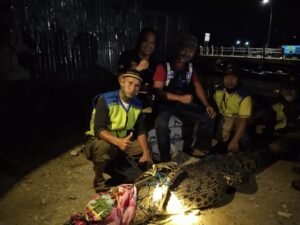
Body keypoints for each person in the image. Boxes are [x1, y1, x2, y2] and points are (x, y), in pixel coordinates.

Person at [84, 70, 153, 192]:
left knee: (145, 149)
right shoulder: (105, 100)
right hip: (101, 141)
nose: (132, 88)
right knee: (103, 147)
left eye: (136, 85)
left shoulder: (137, 104)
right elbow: (99, 129)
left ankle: (124, 168)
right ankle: (99, 179)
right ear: (121, 81)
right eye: (129, 83)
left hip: (122, 143)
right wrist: (118, 142)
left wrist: (146, 152)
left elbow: (141, 130)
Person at [153, 34, 216, 162]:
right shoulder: (164, 66)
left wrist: (207, 105)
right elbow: (157, 91)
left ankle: (200, 149)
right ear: (178, 48)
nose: (187, 53)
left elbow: (197, 86)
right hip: (164, 104)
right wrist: (180, 98)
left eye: (191, 50)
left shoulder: (191, 68)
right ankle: (165, 160)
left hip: (179, 105)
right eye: (184, 48)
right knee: (161, 125)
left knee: (208, 115)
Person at [118, 27, 159, 114]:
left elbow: (157, 88)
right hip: (125, 101)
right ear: (140, 41)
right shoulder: (127, 56)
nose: (148, 45)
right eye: (145, 41)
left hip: (146, 105)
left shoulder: (156, 62)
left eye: (152, 43)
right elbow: (120, 79)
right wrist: (138, 68)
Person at [213, 63, 253, 152]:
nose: (230, 81)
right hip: (222, 118)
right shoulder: (218, 91)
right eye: (227, 77)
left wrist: (235, 141)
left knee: (244, 140)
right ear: (223, 78)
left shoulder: (244, 95)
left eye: (233, 77)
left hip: (237, 121)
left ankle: (239, 146)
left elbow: (244, 119)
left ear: (238, 79)